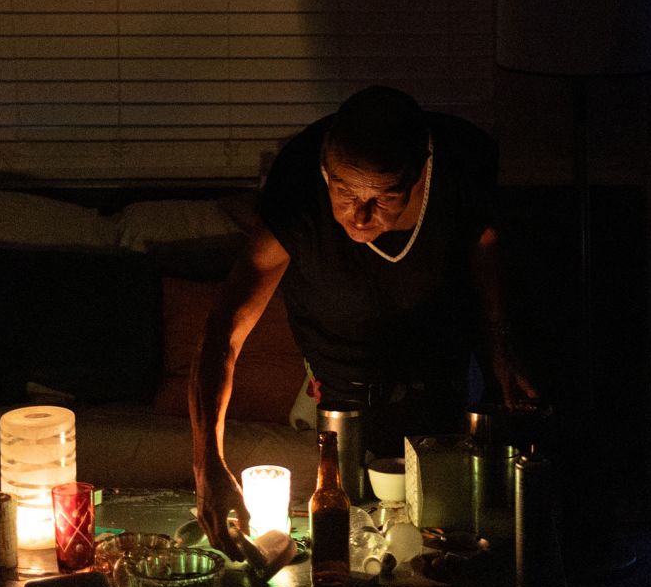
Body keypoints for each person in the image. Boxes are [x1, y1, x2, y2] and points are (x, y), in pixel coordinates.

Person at [189, 85, 539, 558]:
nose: (359, 215)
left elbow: (486, 245)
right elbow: (224, 330)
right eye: (343, 191)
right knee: (343, 541)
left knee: (443, 539)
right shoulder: (298, 183)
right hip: (338, 396)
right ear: (325, 171)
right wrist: (208, 461)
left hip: (441, 383)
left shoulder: (460, 164)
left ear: (419, 175)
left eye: (384, 197)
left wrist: (501, 344)